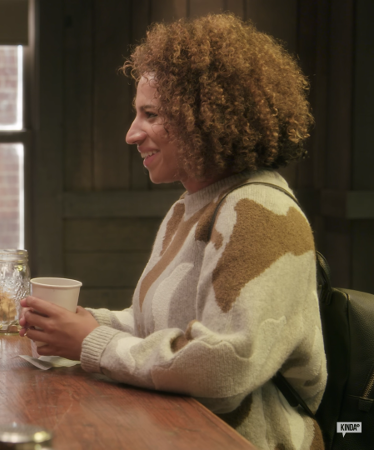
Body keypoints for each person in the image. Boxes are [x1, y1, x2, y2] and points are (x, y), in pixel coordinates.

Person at [20, 14, 326, 450]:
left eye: (151, 115)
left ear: (208, 117)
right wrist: (86, 323)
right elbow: (156, 327)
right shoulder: (191, 205)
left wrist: (93, 341)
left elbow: (224, 366)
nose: (131, 134)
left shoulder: (259, 210)